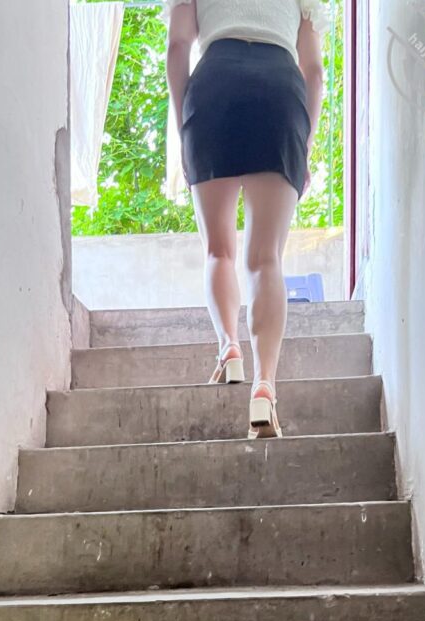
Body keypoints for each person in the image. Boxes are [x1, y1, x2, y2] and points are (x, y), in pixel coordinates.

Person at [164, 0, 329, 438]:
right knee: (265, 259)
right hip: (279, 92)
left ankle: (229, 348)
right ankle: (264, 387)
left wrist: (184, 130)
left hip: (213, 90)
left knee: (219, 250)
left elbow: (178, 47)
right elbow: (314, 72)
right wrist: (304, 143)